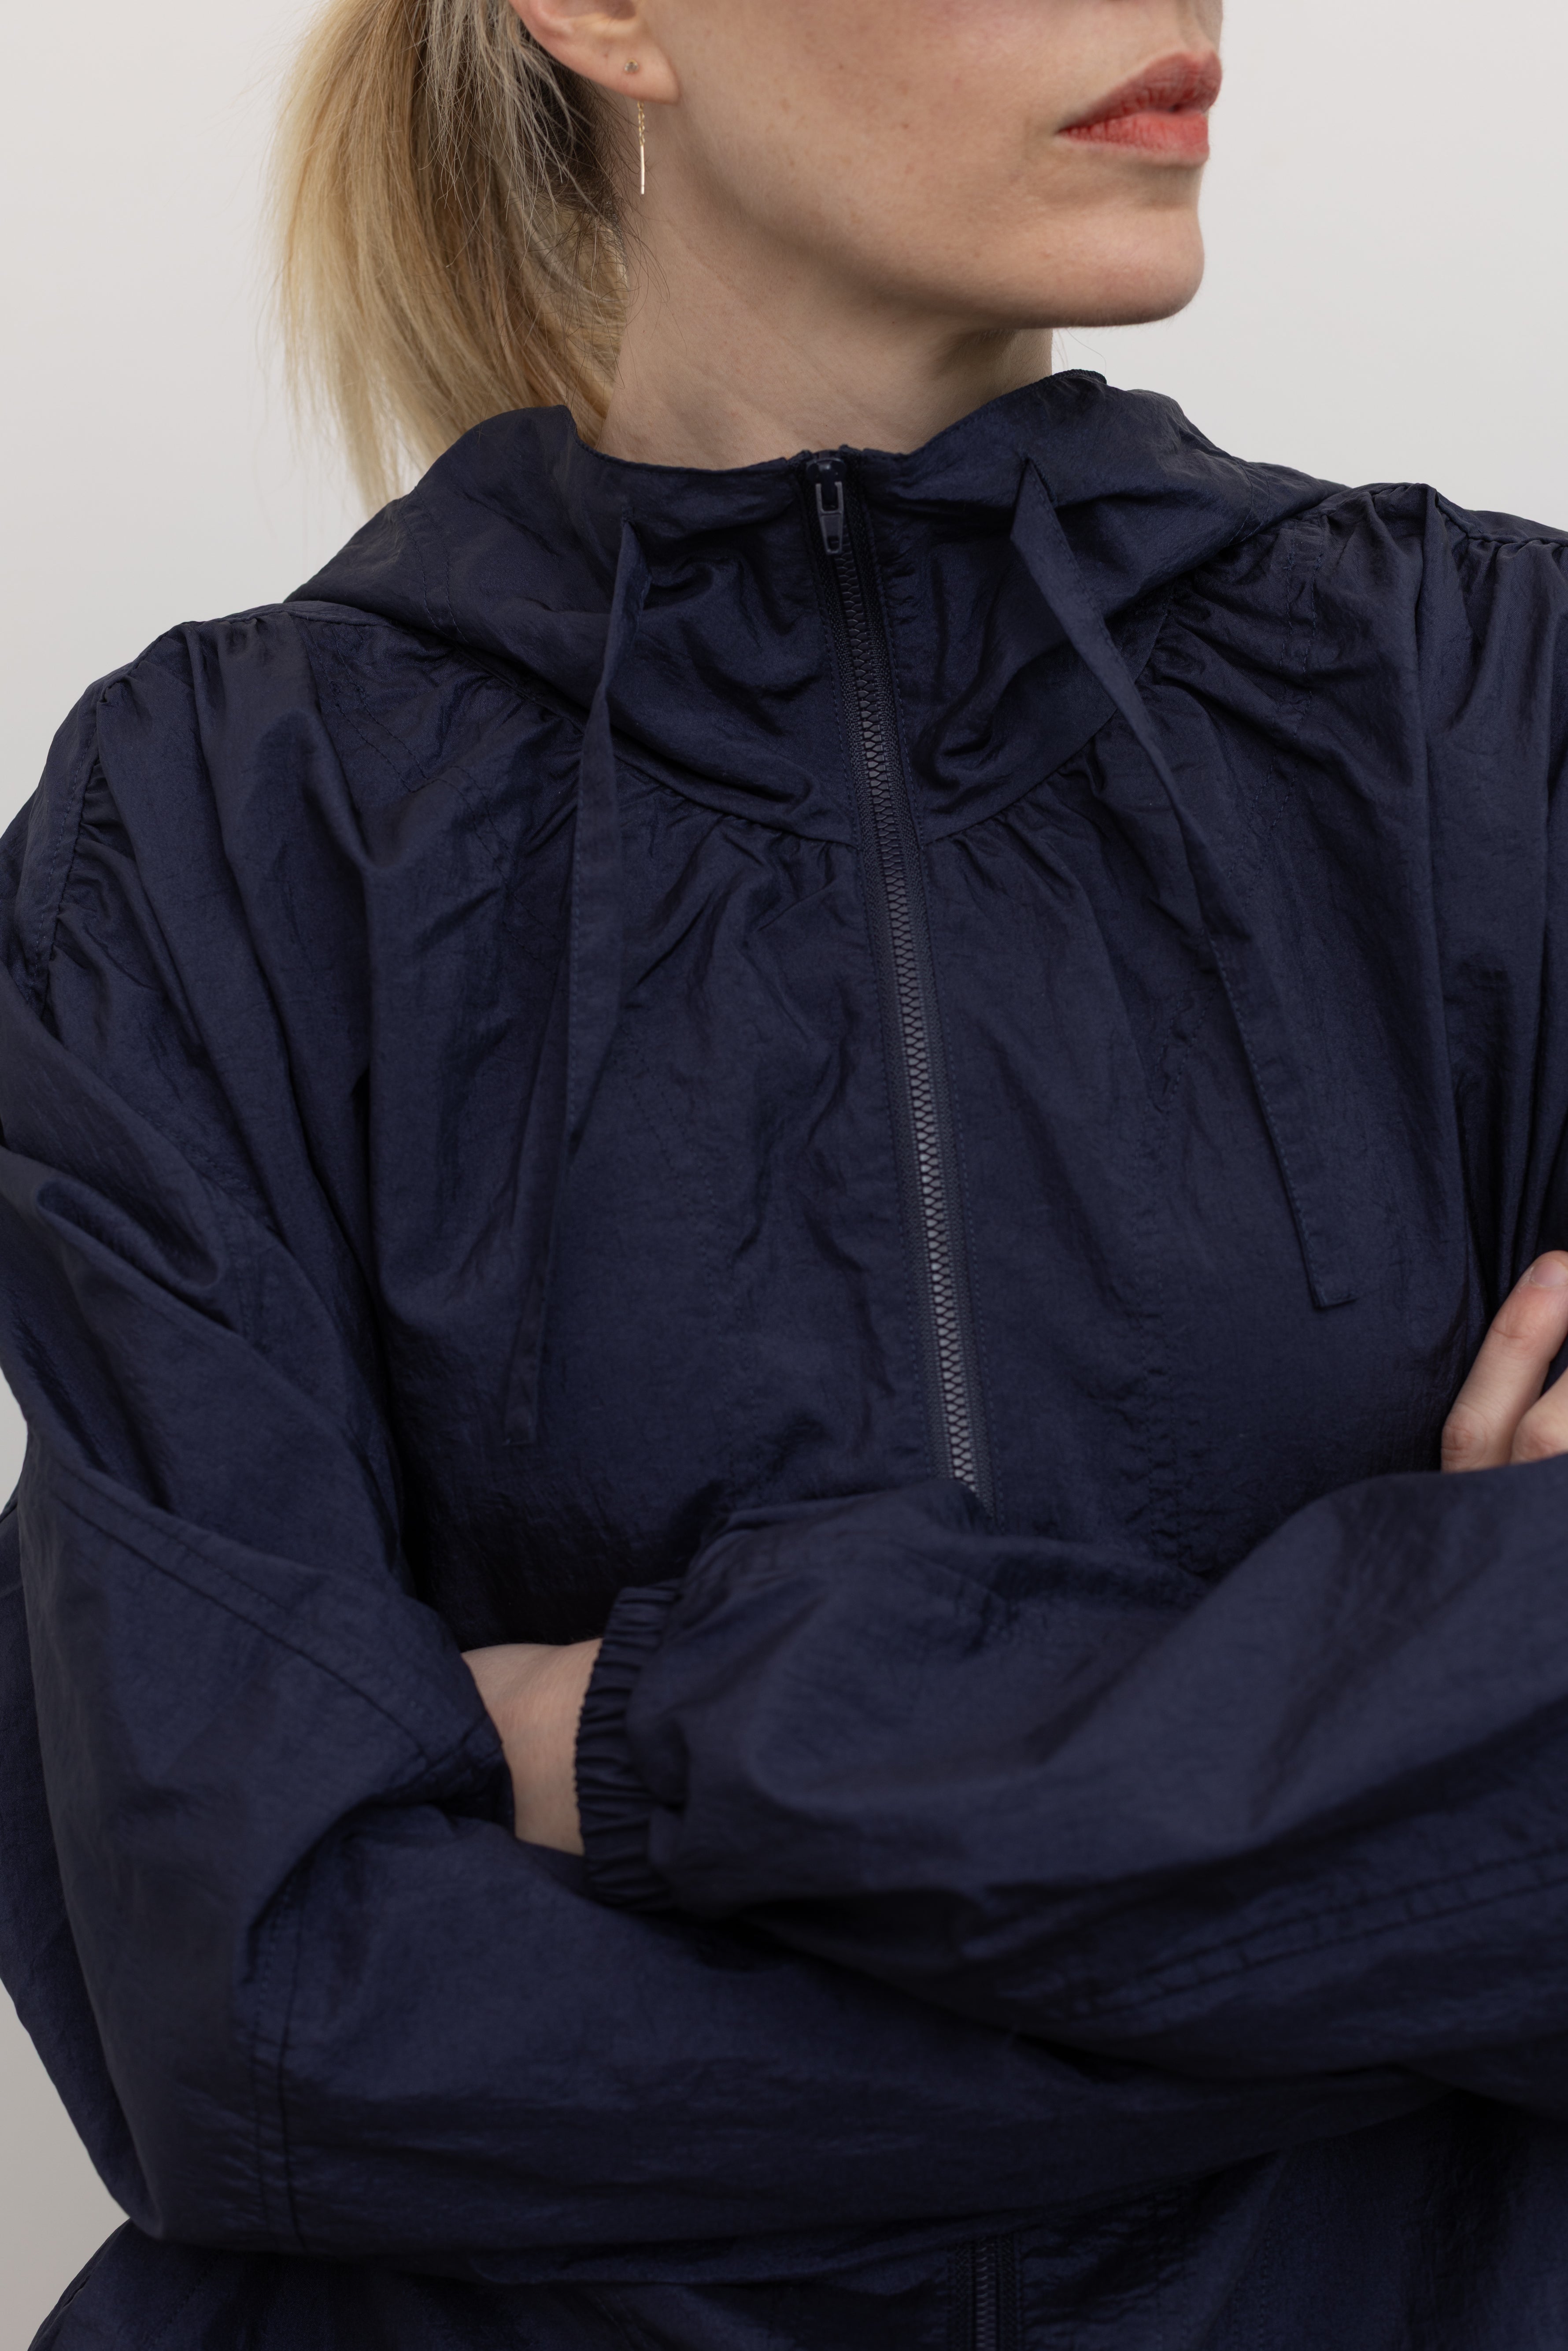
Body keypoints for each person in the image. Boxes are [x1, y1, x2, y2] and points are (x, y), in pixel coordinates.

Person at [4, 0, 1568, 2344]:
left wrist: (639, 1743)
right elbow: (263, 2019)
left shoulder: (1496, 720)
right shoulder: (217, 830)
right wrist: (1378, 1907)